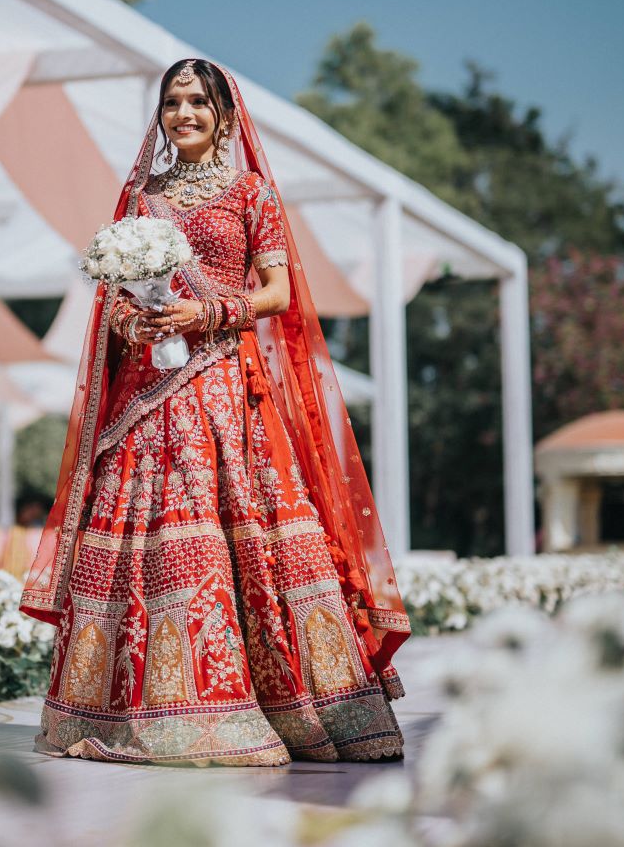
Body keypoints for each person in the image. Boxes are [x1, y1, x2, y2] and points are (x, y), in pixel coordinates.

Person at [21, 60, 411, 766]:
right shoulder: (142, 198)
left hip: (223, 392)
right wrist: (134, 325)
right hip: (147, 397)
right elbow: (114, 303)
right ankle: (134, 712)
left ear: (224, 113)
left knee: (240, 536)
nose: (185, 113)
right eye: (173, 103)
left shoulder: (251, 193)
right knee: (143, 537)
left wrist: (207, 311)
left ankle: (283, 710)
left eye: (198, 101)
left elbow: (279, 293)